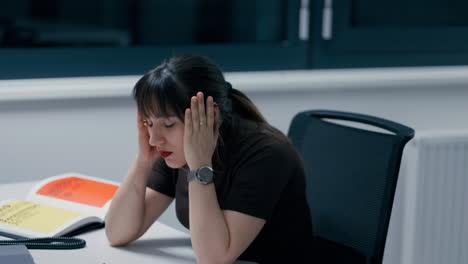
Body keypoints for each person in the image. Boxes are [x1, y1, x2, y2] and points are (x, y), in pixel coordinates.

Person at [104, 54, 314, 263]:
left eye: (168, 124)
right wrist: (143, 161)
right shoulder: (172, 149)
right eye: (149, 123)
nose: (154, 139)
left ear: (208, 116)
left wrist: (199, 166)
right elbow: (117, 233)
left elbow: (214, 259)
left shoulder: (266, 153)